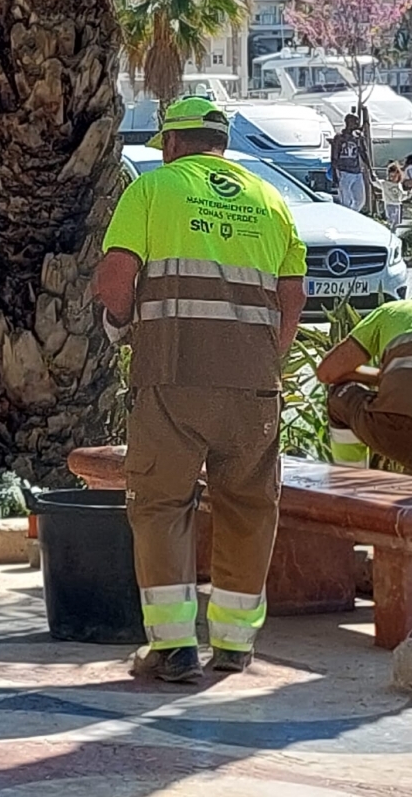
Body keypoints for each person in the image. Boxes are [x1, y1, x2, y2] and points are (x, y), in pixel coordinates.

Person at [95, 96, 308, 683]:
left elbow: (115, 279)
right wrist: (269, 358)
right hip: (252, 383)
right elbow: (294, 296)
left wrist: (120, 328)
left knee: (162, 504)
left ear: (170, 143)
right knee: (249, 506)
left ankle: (173, 648)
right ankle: (236, 645)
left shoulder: (153, 189)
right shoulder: (270, 200)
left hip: (173, 374)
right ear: (223, 145)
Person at [315, 299, 412, 475]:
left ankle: (350, 480)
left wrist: (389, 375)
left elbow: (327, 373)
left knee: (340, 394)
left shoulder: (392, 311)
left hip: (392, 430)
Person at [330, 114, 372, 212]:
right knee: (346, 201)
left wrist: (370, 169)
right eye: (355, 122)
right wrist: (335, 176)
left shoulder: (358, 138)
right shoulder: (339, 138)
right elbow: (334, 158)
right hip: (344, 172)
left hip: (357, 172)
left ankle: (353, 215)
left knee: (360, 200)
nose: (357, 124)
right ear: (348, 123)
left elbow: (364, 153)